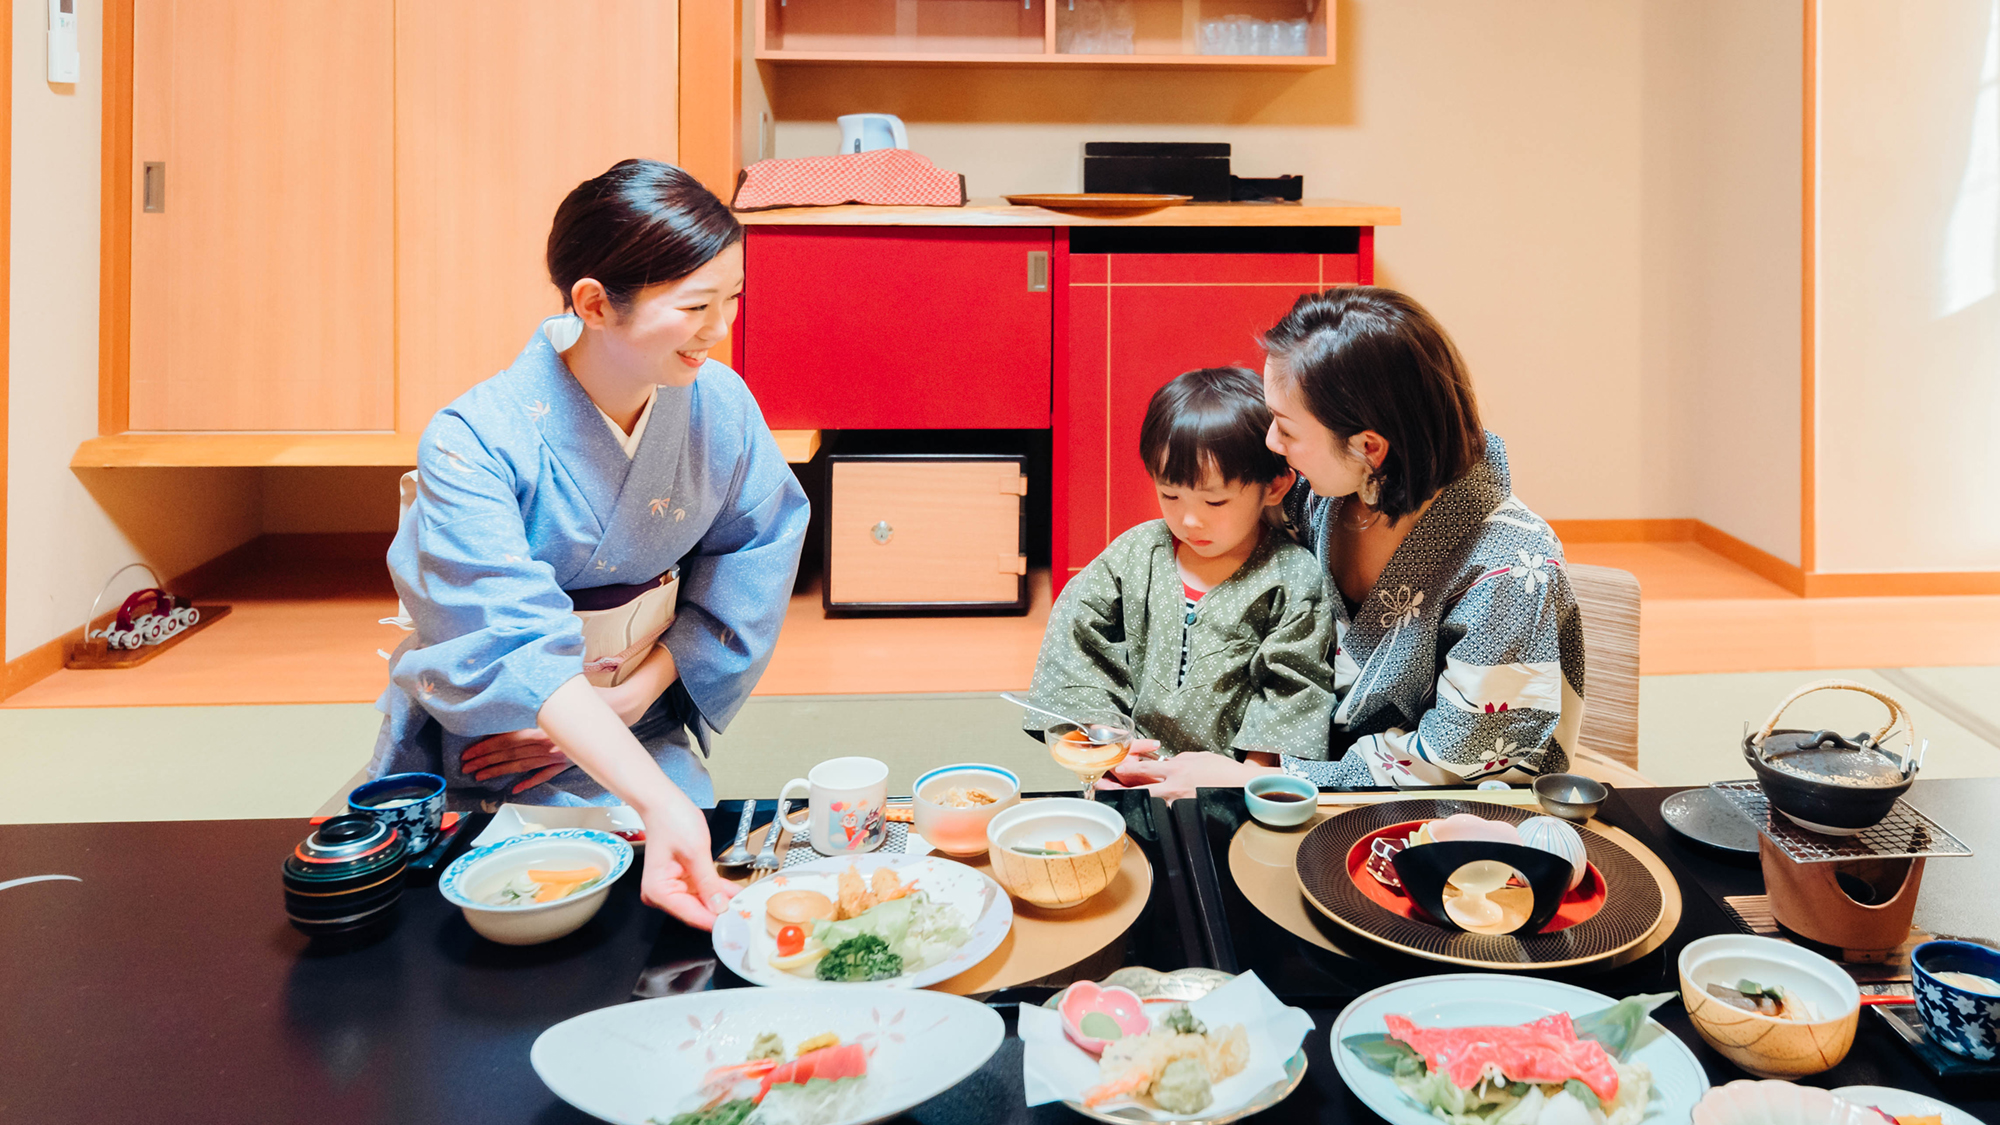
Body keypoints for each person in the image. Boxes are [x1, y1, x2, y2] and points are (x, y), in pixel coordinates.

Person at [369, 160, 810, 929]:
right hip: (500, 745)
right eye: (697, 304)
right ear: (595, 303)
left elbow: (755, 556)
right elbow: (508, 640)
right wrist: (587, 732)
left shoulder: (721, 406)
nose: (722, 328)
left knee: (665, 929)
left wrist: (633, 696)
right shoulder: (474, 440)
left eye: (733, 298)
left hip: (642, 727)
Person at [1099, 288, 1584, 800]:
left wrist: (1259, 779)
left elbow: (1456, 760)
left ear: (1369, 447)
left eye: (1285, 429)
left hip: (1441, 810)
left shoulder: (1509, 571)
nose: (1271, 445)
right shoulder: (1317, 492)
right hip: (1295, 763)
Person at [1024, 367, 1335, 760]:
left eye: (1215, 501)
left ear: (1273, 487)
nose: (1190, 520)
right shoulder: (1133, 555)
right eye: (1170, 496)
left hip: (1228, 783)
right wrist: (1106, 744)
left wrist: (1249, 778)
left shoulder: (1291, 577)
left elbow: (1292, 689)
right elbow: (1080, 648)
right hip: (1129, 761)